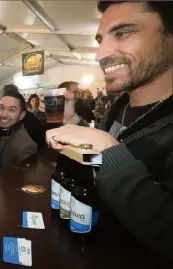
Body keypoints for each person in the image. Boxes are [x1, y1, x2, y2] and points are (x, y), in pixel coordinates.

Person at [46, 1, 173, 265]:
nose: (100, 54)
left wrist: (109, 151)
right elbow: (96, 172)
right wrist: (75, 129)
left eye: (123, 33)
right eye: (100, 40)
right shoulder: (117, 111)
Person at [0, 88, 39, 179]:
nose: (4, 114)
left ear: (21, 115)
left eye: (11, 110)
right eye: (1, 108)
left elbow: (21, 183)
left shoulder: (25, 146)